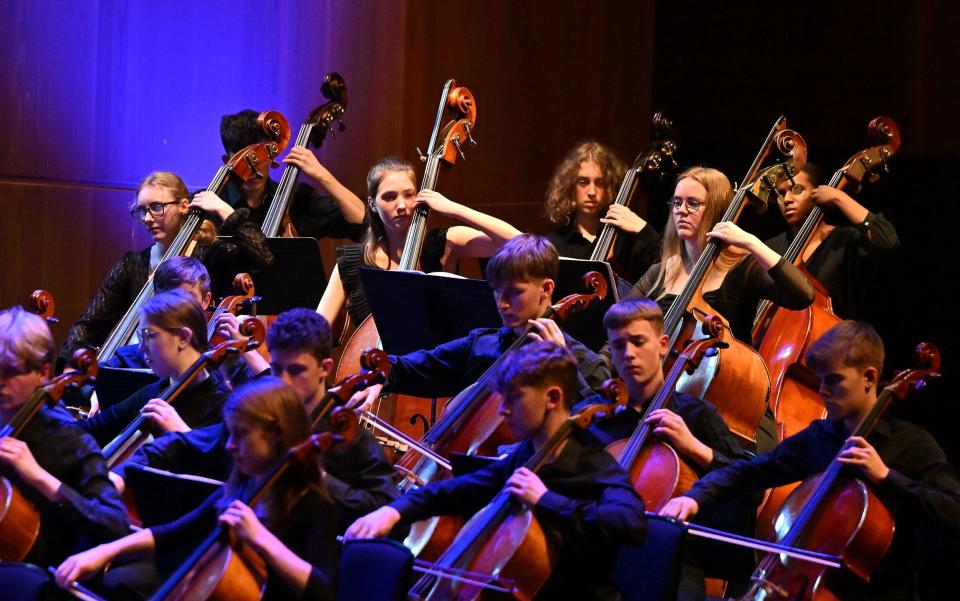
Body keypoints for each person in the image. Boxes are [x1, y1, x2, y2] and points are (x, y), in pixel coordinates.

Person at [661, 321, 960, 600]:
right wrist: (694, 498)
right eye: (820, 380)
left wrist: (886, 477)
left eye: (834, 380)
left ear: (869, 377)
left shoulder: (911, 444)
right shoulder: (821, 437)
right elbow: (748, 472)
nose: (822, 391)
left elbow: (952, 511)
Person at [346, 341, 646, 600]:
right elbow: (460, 489)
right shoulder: (527, 456)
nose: (502, 411)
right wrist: (395, 511)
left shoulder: (593, 464)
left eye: (513, 399)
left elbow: (631, 524)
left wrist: (545, 500)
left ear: (553, 398)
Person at [110, 308, 398, 533]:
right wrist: (120, 475)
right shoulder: (258, 416)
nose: (282, 382)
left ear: (325, 369)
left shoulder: (351, 439)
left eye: (296, 371)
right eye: (276, 369)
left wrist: (318, 478)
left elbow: (387, 512)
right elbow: (184, 444)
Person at [56, 377, 339, 601]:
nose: (229, 446)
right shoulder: (245, 486)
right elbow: (175, 533)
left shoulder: (313, 505)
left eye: (240, 434)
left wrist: (260, 538)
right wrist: (102, 553)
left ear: (276, 434)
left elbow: (324, 591)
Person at [575, 297, 755, 598]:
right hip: (595, 548)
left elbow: (751, 482)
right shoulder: (592, 414)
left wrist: (694, 447)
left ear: (662, 344)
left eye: (638, 342)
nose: (628, 354)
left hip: (669, 557)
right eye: (618, 345)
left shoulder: (695, 415)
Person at [348, 234, 610, 411]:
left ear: (547, 288)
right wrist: (381, 376)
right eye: (497, 290)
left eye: (514, 292)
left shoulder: (581, 360)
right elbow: (418, 366)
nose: (502, 303)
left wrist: (566, 371)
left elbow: (605, 429)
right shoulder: (483, 344)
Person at [59, 170, 272, 366]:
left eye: (156, 207)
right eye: (142, 210)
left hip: (197, 369)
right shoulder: (132, 264)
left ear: (183, 206)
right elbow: (88, 325)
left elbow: (263, 258)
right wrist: (71, 366)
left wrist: (224, 209)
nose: (148, 218)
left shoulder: (214, 255)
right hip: (137, 364)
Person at [316, 155, 522, 327]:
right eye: (389, 197)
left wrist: (454, 209)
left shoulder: (446, 242)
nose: (402, 205)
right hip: (375, 371)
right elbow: (317, 328)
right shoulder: (351, 263)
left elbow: (520, 242)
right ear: (372, 204)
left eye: (409, 195)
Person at [0, 306, 128, 567]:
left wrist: (40, 478)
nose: (0, 381)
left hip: (39, 578)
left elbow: (115, 523)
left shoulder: (69, 440)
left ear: (44, 373)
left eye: (11, 371)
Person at [628, 166, 814, 343]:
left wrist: (751, 242)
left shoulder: (744, 268)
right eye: (677, 202)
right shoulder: (660, 271)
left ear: (716, 209)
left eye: (693, 203)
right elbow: (621, 326)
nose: (681, 211)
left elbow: (802, 296)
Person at [77, 289, 230, 447]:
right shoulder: (155, 393)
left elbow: (222, 465)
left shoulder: (224, 405)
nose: (142, 348)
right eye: (141, 336)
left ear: (184, 338)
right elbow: (90, 429)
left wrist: (184, 435)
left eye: (149, 335)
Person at [766, 163, 899, 319]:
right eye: (781, 194)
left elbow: (887, 240)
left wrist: (839, 196)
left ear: (818, 193)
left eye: (797, 189)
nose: (787, 199)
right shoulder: (771, 247)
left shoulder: (844, 240)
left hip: (835, 338)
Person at [218, 109, 366, 239]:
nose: (253, 169)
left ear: (271, 153)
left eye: (259, 157)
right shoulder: (211, 206)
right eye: (244, 162)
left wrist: (323, 176)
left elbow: (363, 225)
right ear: (227, 161)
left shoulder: (300, 200)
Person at [544, 141, 660, 282]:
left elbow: (667, 266)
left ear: (609, 189)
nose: (592, 192)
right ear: (570, 187)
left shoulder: (626, 241)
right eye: (583, 182)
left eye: (600, 183)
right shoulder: (555, 245)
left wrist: (643, 228)